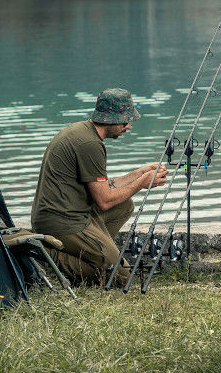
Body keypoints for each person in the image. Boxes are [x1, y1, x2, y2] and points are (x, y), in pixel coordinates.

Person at [31, 88, 168, 287]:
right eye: (125, 121)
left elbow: (102, 187)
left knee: (124, 205)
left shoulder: (83, 132)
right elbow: (104, 201)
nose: (128, 127)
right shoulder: (89, 144)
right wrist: (142, 184)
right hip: (63, 222)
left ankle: (97, 254)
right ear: (111, 119)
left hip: (72, 213)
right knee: (120, 277)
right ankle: (46, 253)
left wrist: (138, 173)